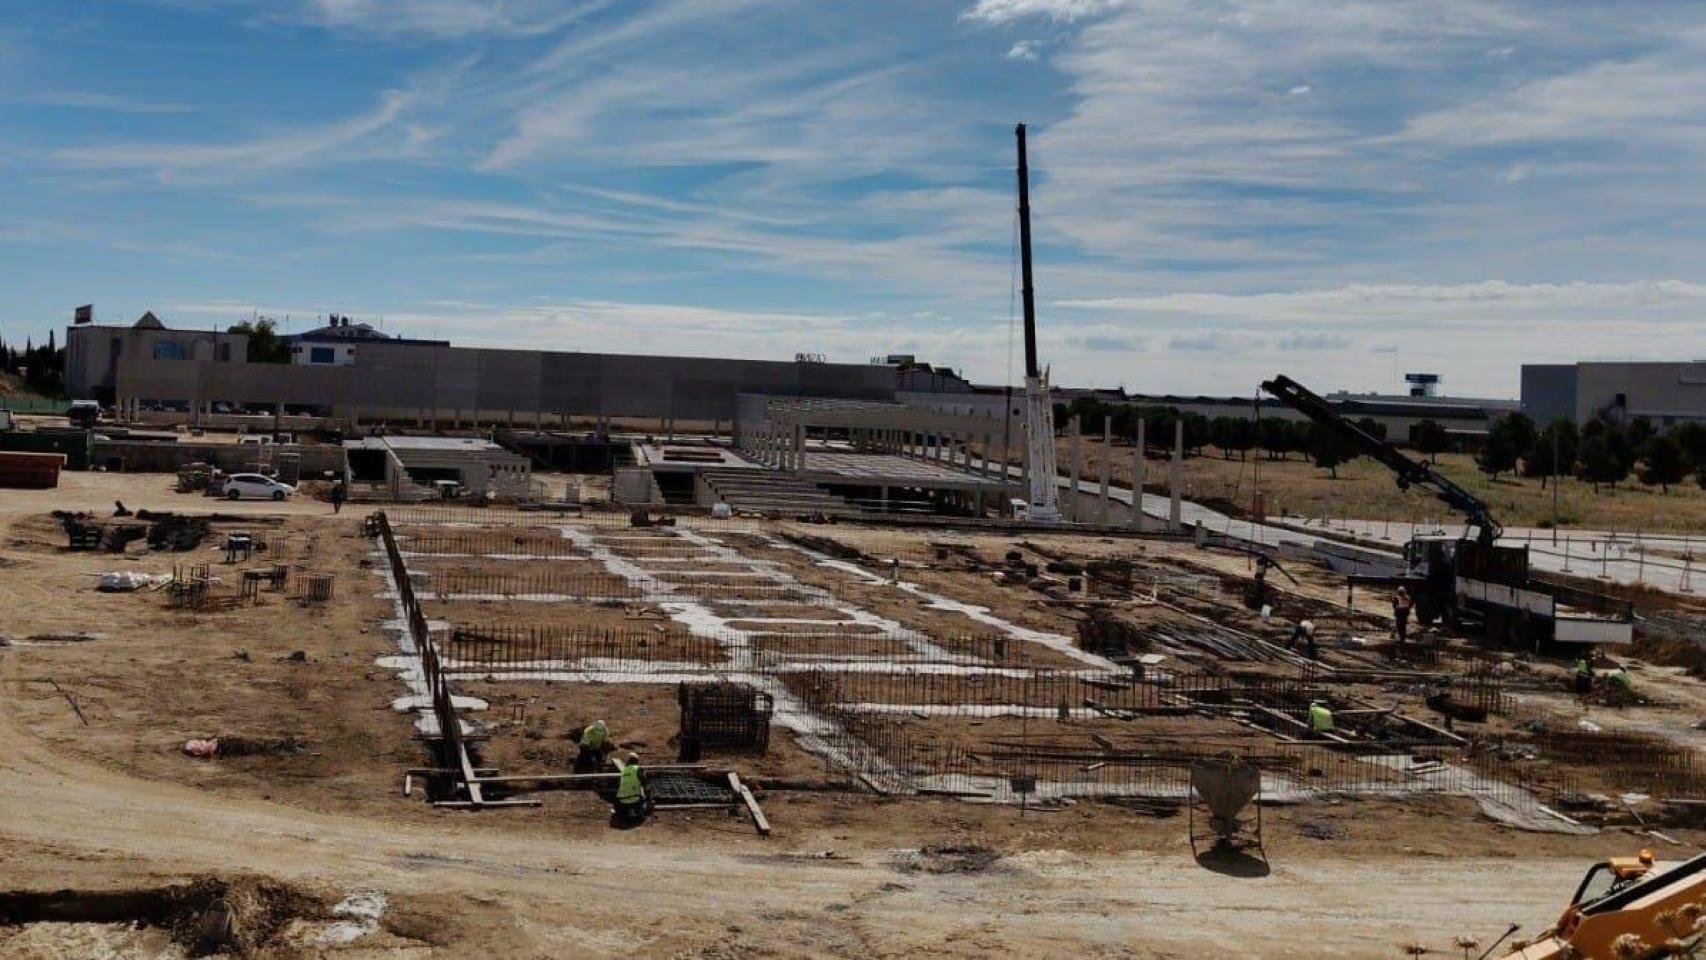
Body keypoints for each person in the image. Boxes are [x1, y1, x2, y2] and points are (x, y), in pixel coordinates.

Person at [613, 752, 649, 826]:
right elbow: (645, 783)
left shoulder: (624, 771)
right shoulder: (638, 769)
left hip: (621, 800)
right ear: (637, 761)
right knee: (644, 792)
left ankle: (624, 815)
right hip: (635, 799)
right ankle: (640, 814)